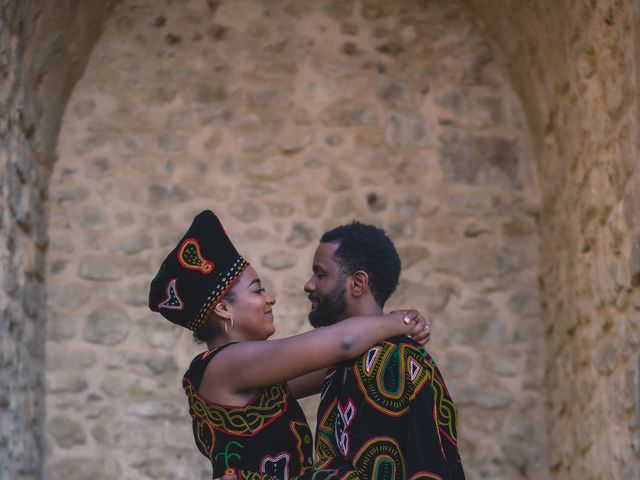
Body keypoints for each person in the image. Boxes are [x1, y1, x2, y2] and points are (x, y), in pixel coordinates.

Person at [148, 211, 430, 479]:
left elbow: (339, 363)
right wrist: (401, 321)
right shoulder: (226, 365)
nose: (270, 299)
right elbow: (344, 343)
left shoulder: (255, 377)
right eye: (258, 290)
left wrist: (388, 337)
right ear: (223, 308)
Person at [303, 222, 466, 479]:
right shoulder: (342, 363)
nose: (309, 285)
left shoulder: (390, 360)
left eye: (320, 274)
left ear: (358, 283)